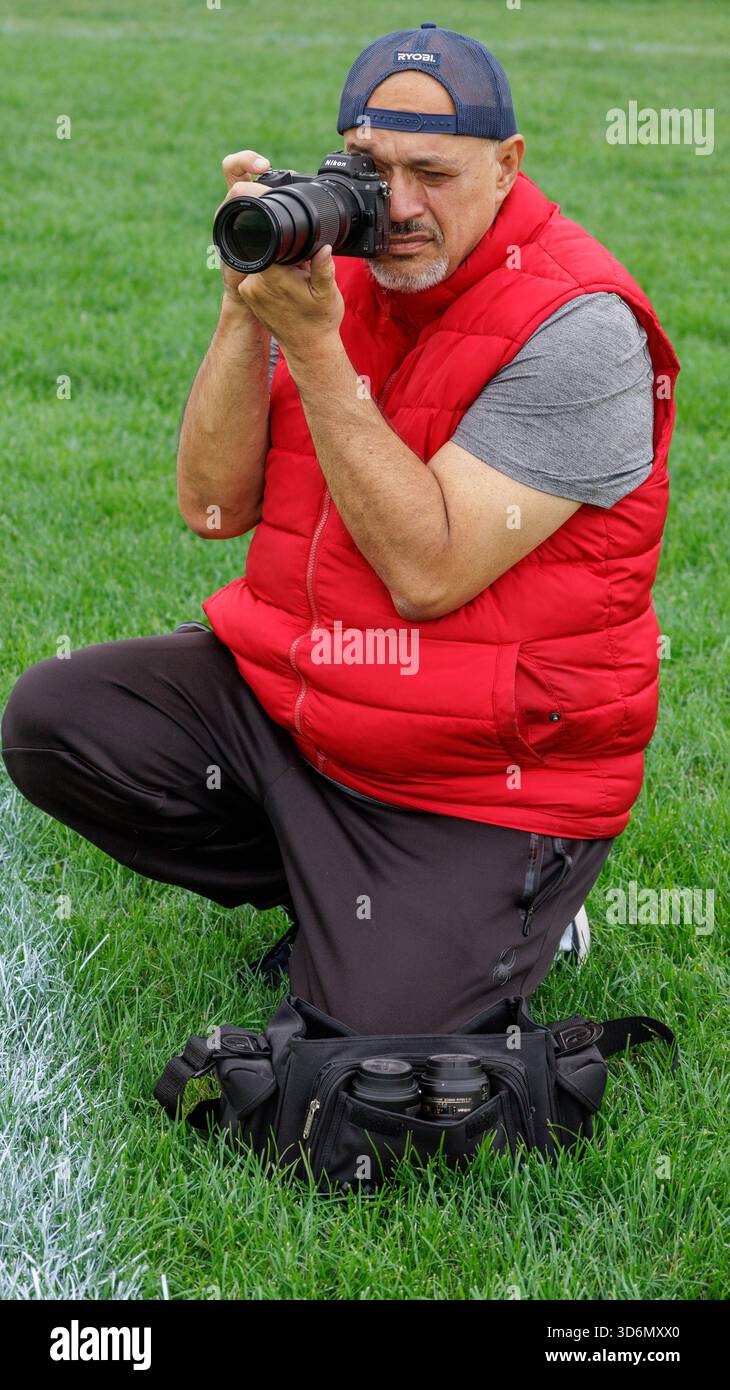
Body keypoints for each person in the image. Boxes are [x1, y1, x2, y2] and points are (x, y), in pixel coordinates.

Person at [1, 23, 679, 1035]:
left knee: (372, 1057)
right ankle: (340, 888)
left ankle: (519, 908)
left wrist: (315, 349)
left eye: (431, 174)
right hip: (312, 710)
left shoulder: (579, 329)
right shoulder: (339, 265)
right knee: (57, 719)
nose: (396, 207)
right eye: (370, 169)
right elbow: (212, 508)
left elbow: (427, 570)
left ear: (508, 165)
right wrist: (246, 310)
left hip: (480, 775)